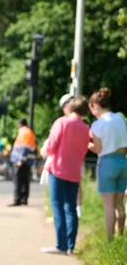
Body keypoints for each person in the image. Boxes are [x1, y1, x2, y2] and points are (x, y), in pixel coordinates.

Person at [40, 96, 90, 255]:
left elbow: (52, 145)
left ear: (71, 107)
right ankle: (70, 245)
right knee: (71, 208)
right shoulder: (85, 128)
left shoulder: (62, 122)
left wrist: (45, 153)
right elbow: (84, 150)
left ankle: (60, 245)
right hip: (74, 172)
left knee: (57, 207)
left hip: (58, 169)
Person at [88, 87, 127, 241]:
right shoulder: (121, 118)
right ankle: (122, 235)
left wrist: (89, 146)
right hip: (123, 161)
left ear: (95, 106)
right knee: (120, 204)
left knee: (109, 206)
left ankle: (110, 241)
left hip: (107, 163)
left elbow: (98, 149)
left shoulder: (97, 125)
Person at [9, 118, 37, 206]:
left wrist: (20, 160)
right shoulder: (30, 132)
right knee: (25, 180)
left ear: (20, 124)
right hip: (28, 161)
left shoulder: (24, 132)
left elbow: (25, 148)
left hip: (21, 161)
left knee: (18, 180)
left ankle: (17, 200)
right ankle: (24, 199)